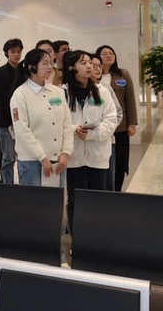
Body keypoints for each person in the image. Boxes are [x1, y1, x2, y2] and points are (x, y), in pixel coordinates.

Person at [62, 50, 117, 233]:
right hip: (73, 155)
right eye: (83, 63)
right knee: (75, 198)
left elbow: (111, 120)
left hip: (97, 154)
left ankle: (96, 235)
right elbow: (57, 122)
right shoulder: (62, 93)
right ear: (72, 68)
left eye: (89, 63)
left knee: (96, 197)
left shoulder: (102, 91)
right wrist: (73, 129)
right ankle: (77, 235)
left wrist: (92, 134)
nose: (89, 66)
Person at [10, 48, 73, 186]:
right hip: (32, 162)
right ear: (32, 67)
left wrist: (66, 153)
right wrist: (42, 158)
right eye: (45, 63)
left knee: (57, 199)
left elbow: (67, 124)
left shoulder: (57, 92)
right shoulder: (20, 94)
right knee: (35, 199)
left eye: (51, 62)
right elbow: (22, 131)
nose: (50, 66)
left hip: (58, 160)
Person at [96, 45, 138, 191]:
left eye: (111, 53)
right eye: (105, 54)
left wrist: (132, 123)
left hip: (120, 126)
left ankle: (117, 189)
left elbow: (130, 99)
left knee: (120, 160)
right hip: (100, 125)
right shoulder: (94, 76)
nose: (109, 56)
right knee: (105, 159)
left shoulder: (122, 74)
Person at [0, 38, 24, 184]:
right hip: (7, 122)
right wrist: (14, 118)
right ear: (6, 53)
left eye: (18, 51)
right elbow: (0, 99)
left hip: (25, 122)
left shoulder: (25, 72)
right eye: (13, 51)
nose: (16, 54)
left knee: (25, 157)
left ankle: (25, 186)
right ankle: (8, 186)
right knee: (9, 157)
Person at [90, 54, 123, 191]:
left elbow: (117, 113)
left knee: (107, 183)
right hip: (83, 145)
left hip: (106, 141)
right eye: (94, 66)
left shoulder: (105, 89)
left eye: (100, 66)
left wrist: (105, 129)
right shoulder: (70, 90)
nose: (98, 69)